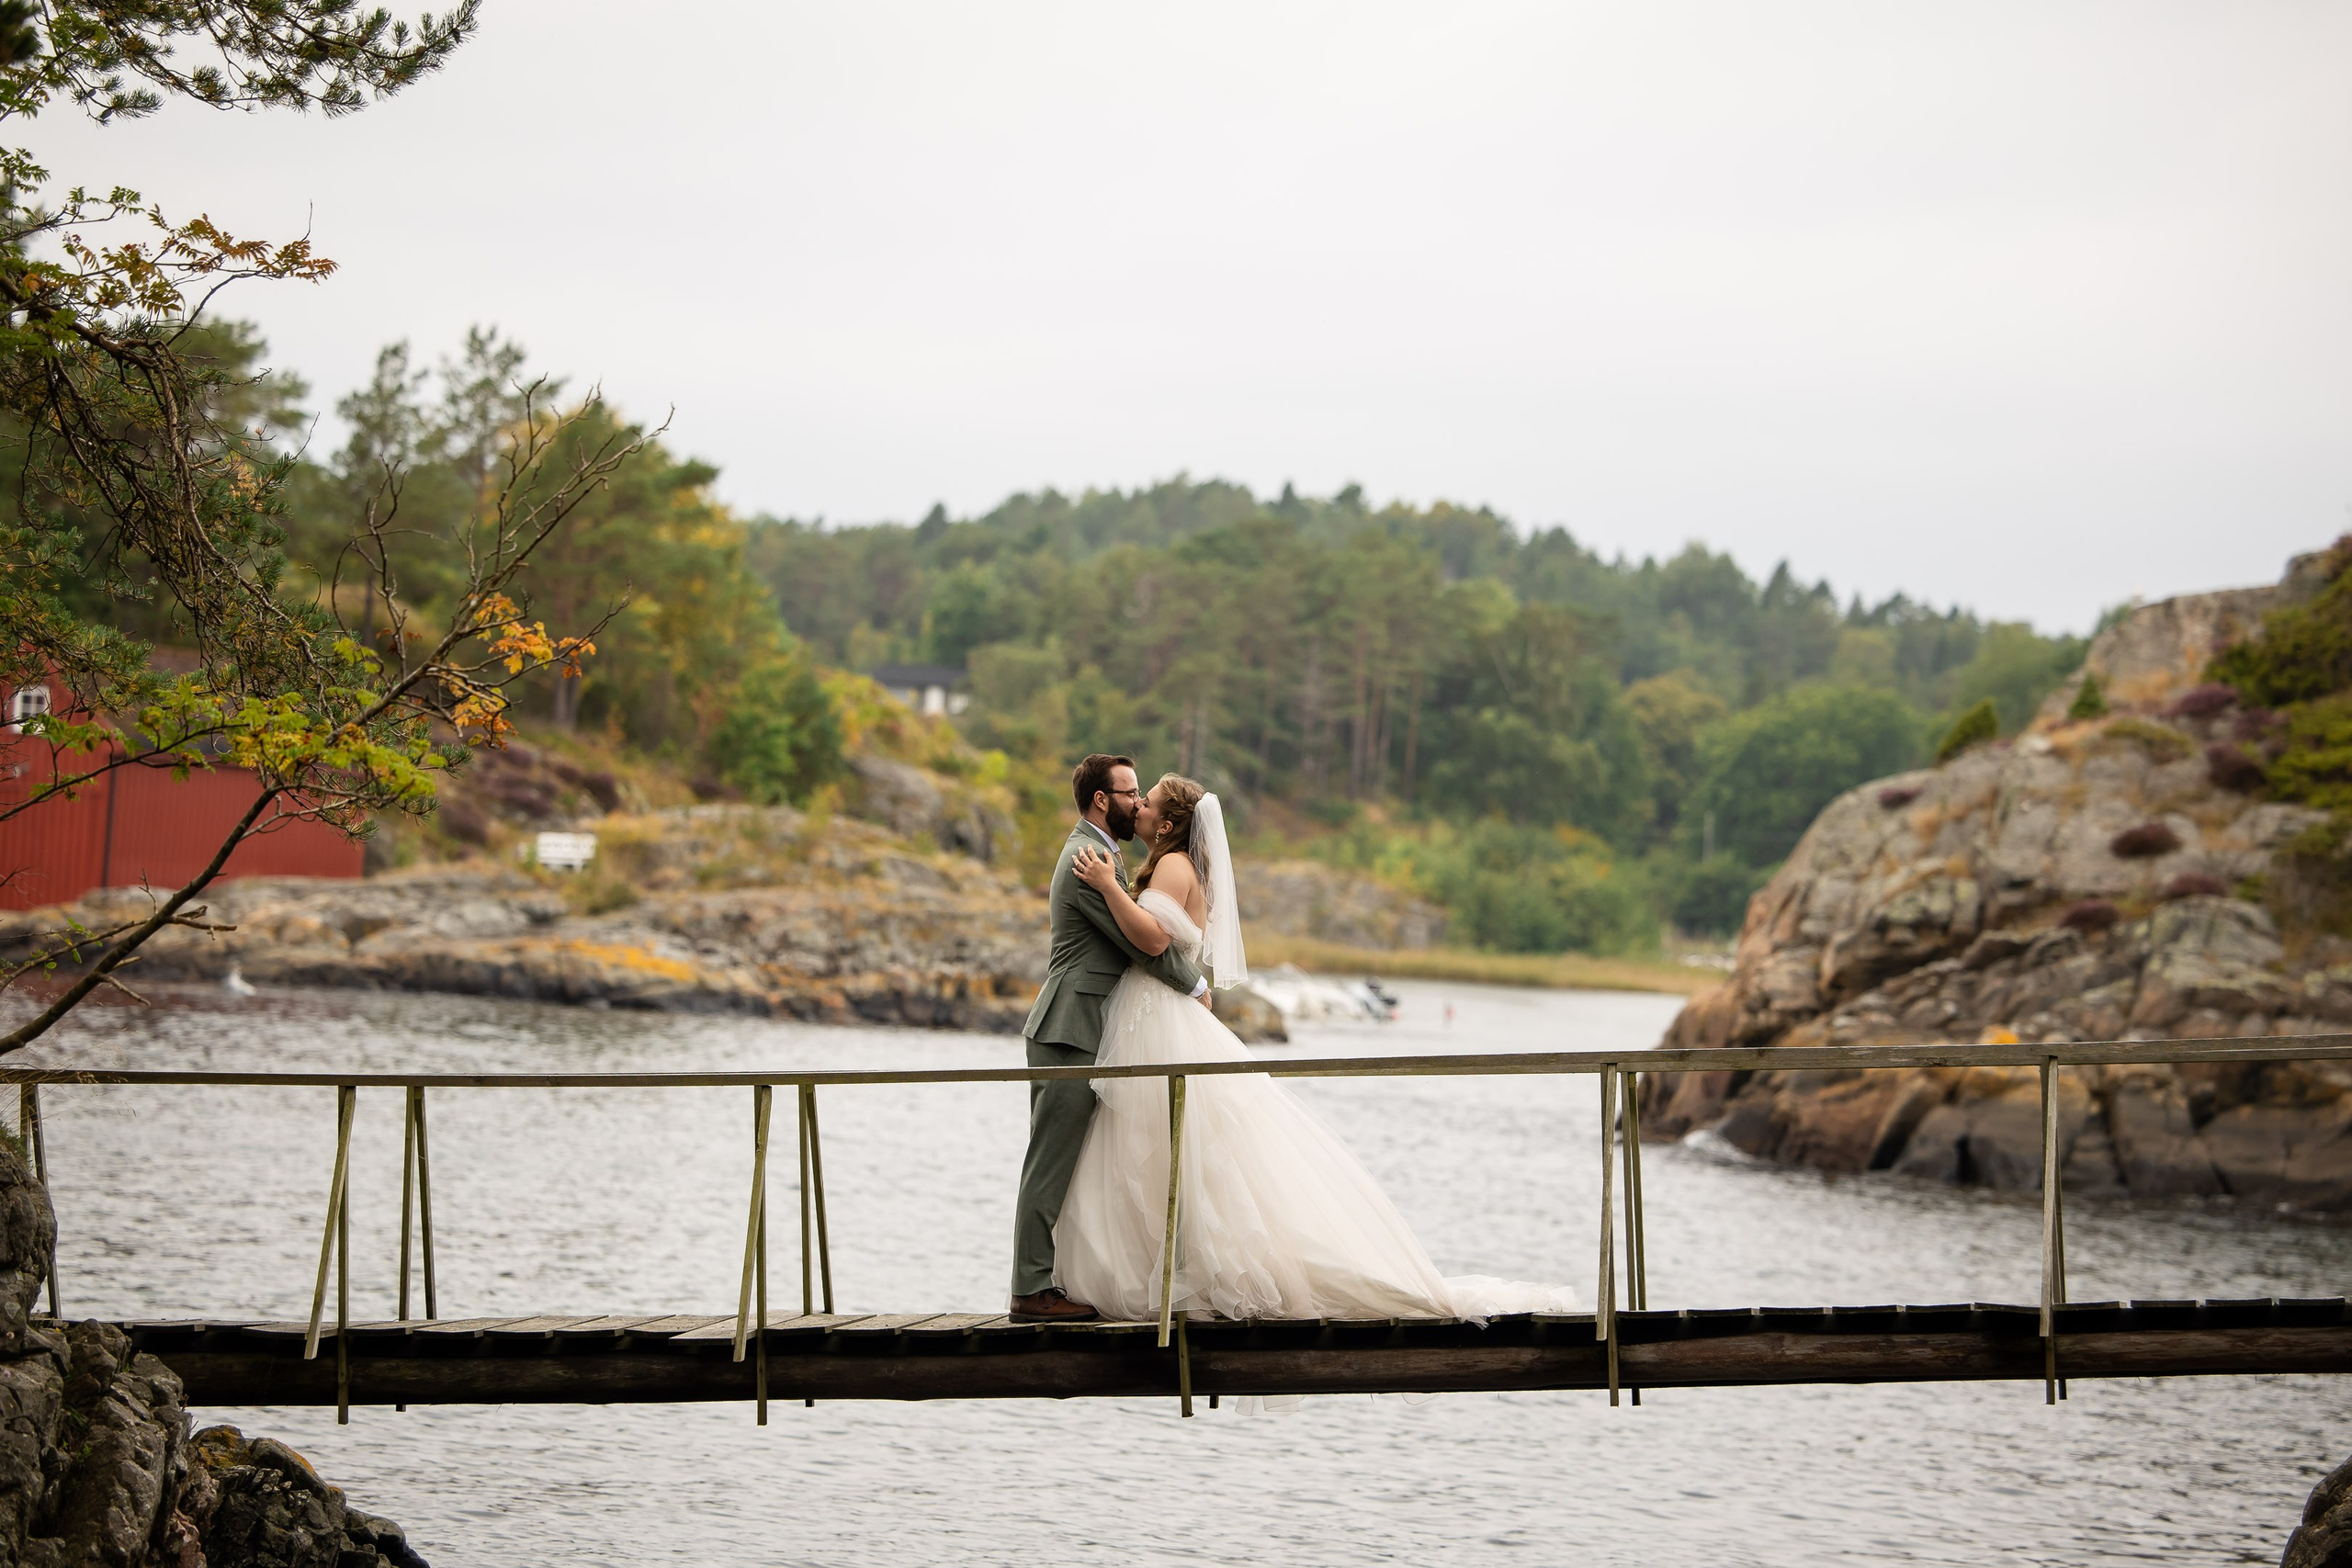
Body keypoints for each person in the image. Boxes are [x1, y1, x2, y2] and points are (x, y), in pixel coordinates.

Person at [1053, 772, 1577, 1323]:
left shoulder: (1172, 866)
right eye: (1133, 798)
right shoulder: (1176, 866)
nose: (1135, 807)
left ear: (1164, 823)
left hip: (1157, 1018)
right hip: (1154, 1014)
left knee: (1160, 1145)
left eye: (1146, 802)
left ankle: (1175, 1275)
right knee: (1160, 1148)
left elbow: (1155, 941)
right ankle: (1165, 1268)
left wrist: (1111, 888)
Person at [1009, 754, 1208, 1324]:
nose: (1139, 801)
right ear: (1103, 799)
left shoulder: (1104, 855)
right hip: (1070, 1027)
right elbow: (1137, 942)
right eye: (1131, 792)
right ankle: (1031, 1291)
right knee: (1049, 1161)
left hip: (1083, 1026)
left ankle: (1050, 1280)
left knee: (1064, 1159)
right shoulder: (1086, 857)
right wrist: (1193, 985)